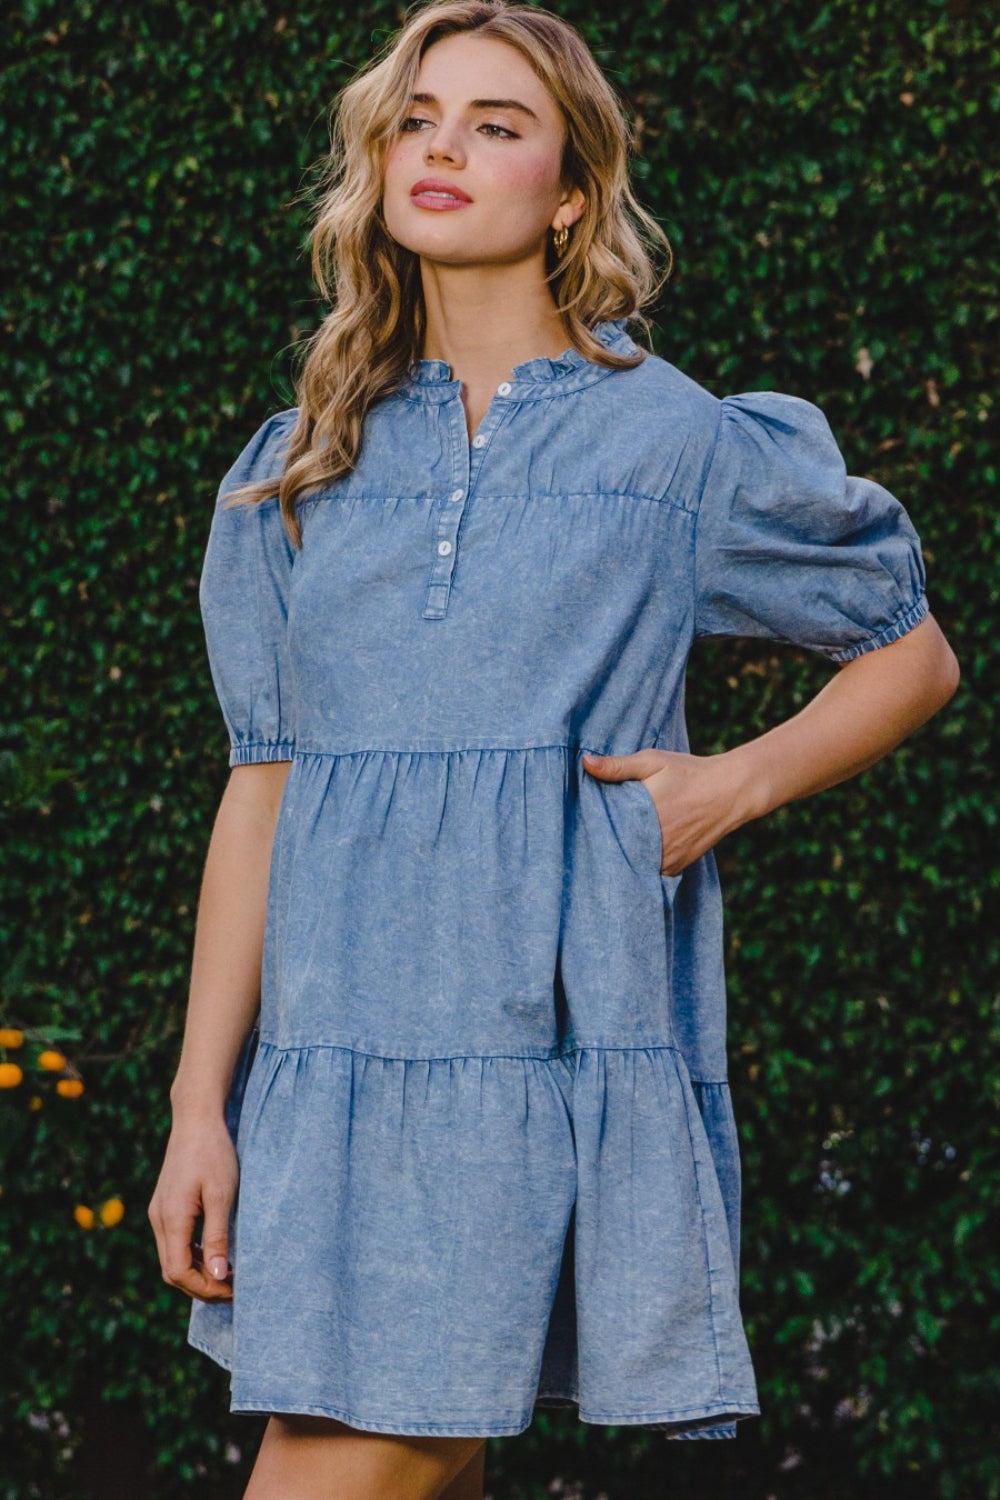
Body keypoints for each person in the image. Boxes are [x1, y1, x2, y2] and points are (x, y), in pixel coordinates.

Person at [146, 1, 960, 1495]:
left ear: (572, 190)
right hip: (331, 1065)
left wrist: (730, 785)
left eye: (496, 124)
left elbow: (912, 651)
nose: (443, 146)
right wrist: (205, 1106)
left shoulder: (670, 443)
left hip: (535, 1040)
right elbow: (262, 788)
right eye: (417, 118)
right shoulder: (303, 459)